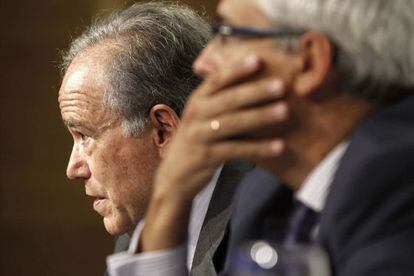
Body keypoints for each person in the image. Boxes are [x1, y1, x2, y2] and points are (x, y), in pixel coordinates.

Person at [107, 0, 414, 275]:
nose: (202, 64)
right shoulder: (265, 194)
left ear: (309, 62)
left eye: (227, 35)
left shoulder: (396, 184)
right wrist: (170, 196)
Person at [58, 2, 275, 274]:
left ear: (163, 130)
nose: (73, 169)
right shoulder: (135, 229)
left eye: (85, 136)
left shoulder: (265, 213)